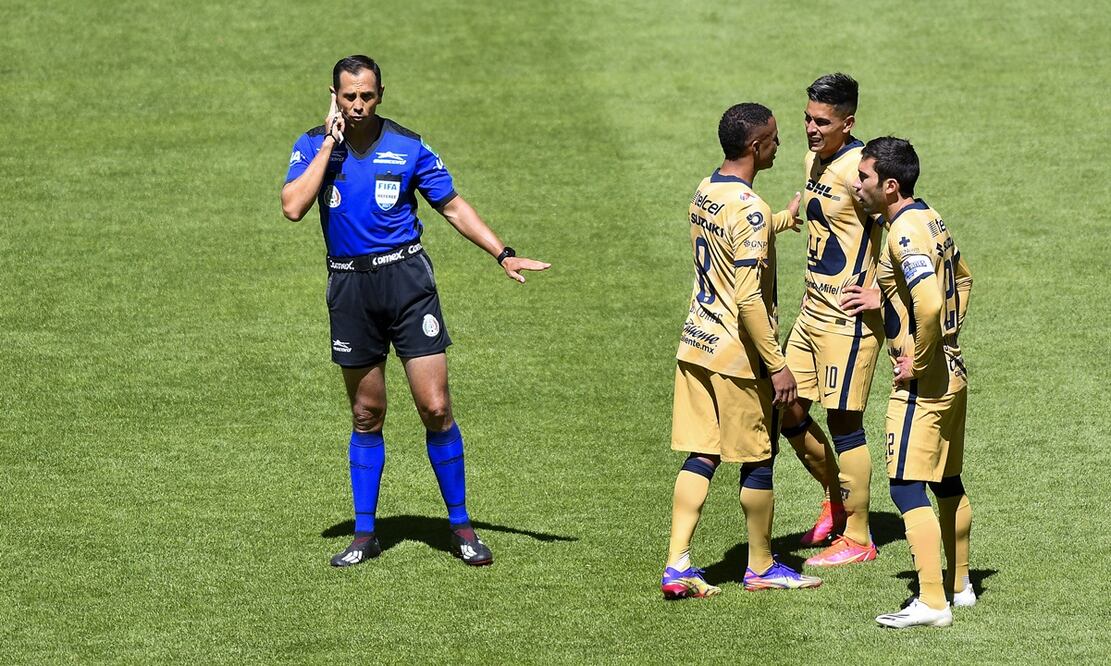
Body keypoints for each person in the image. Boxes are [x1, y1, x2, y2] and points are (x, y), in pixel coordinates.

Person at [281, 55, 550, 568]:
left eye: (367, 96)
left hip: (406, 285)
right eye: (348, 97)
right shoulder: (312, 145)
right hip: (349, 287)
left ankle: (462, 526)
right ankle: (365, 534)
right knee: (367, 414)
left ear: (381, 94)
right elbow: (293, 206)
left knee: (435, 407)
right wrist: (331, 143)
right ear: (333, 96)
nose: (358, 106)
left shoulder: (409, 146)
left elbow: (452, 205)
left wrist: (502, 251)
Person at [660, 103, 822, 599]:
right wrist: (777, 366)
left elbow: (733, 238)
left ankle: (677, 564)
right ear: (756, 147)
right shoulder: (747, 208)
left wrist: (780, 220)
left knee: (703, 454)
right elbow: (750, 297)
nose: (780, 144)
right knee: (758, 459)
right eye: (774, 138)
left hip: (696, 344)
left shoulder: (707, 190)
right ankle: (761, 566)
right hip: (736, 355)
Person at [851, 137, 974, 628]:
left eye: (864, 177)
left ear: (890, 185)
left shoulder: (903, 233)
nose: (857, 185)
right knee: (947, 481)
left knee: (905, 487)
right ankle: (960, 586)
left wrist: (919, 360)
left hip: (925, 383)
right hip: (954, 372)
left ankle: (931, 602)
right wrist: (947, 336)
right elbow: (963, 279)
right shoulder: (931, 218)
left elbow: (925, 303)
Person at [774, 74, 884, 566]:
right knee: (785, 403)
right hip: (810, 311)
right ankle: (836, 499)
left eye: (823, 121)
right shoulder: (812, 160)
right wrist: (797, 209)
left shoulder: (862, 173)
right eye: (807, 118)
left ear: (848, 122)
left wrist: (881, 289)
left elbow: (898, 226)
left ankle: (858, 538)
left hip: (847, 320)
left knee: (845, 423)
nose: (811, 129)